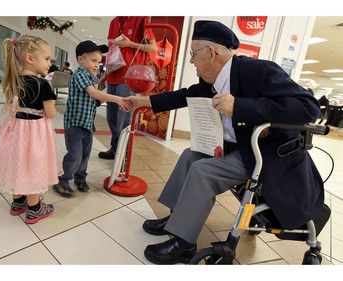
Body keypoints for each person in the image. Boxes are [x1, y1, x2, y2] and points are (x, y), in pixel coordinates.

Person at [124, 20, 324, 264]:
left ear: (211, 52)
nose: (191, 60)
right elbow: (184, 95)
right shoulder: (212, 81)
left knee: (202, 170)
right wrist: (142, 102)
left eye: (193, 53)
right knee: (190, 155)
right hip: (234, 149)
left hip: (262, 155)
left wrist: (240, 106)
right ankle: (177, 217)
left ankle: (184, 244)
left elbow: (308, 107)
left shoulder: (258, 71)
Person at [0, 34, 58, 224]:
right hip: (34, 134)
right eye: (46, 59)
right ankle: (35, 208)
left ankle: (18, 202)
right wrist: (52, 101)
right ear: (30, 58)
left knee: (18, 165)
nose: (49, 63)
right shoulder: (42, 84)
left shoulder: (13, 80)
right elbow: (50, 113)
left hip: (15, 132)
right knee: (32, 167)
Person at [53, 40, 131, 197]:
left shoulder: (88, 77)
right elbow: (94, 94)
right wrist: (118, 99)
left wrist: (97, 99)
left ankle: (80, 178)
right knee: (75, 154)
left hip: (87, 124)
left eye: (99, 61)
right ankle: (63, 180)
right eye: (94, 60)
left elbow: (92, 97)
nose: (97, 65)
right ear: (81, 59)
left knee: (85, 155)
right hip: (75, 124)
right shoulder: (80, 74)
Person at [97, 16, 157, 160]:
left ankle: (124, 154)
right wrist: (105, 76)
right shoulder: (114, 22)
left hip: (130, 78)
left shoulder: (141, 18)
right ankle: (115, 149)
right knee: (111, 117)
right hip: (113, 76)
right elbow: (112, 52)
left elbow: (153, 48)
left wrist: (130, 44)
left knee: (124, 118)